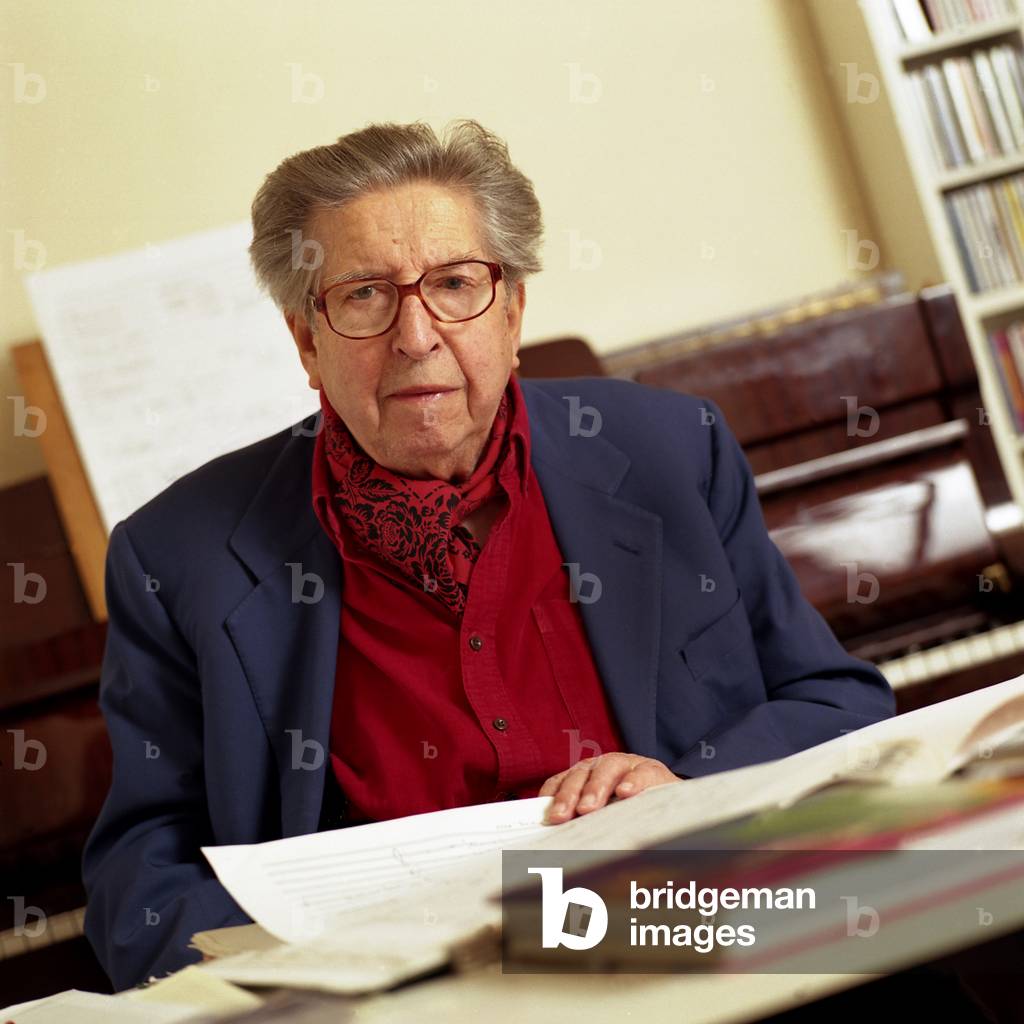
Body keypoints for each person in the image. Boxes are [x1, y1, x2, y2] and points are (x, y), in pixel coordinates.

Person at [81, 119, 895, 989]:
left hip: (694, 934)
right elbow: (139, 880)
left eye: (456, 284)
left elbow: (840, 704)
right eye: (363, 296)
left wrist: (689, 789)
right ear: (306, 342)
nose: (416, 335)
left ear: (512, 311)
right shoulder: (177, 555)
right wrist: (307, 968)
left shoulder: (669, 449)